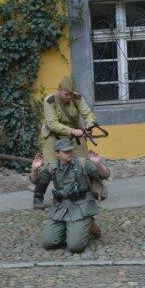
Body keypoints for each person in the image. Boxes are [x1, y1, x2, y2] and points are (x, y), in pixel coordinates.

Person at [30, 139, 110, 253]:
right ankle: (71, 228)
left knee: (75, 247)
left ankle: (89, 224)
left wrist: (97, 163)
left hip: (81, 206)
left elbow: (105, 175)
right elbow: (36, 181)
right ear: (57, 153)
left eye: (70, 151)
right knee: (48, 243)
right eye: (66, 151)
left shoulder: (82, 163)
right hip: (61, 207)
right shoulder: (52, 167)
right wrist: (34, 168)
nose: (69, 153)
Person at [34, 76, 98, 209]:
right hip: (54, 135)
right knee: (50, 166)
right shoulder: (50, 101)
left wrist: (88, 126)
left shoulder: (77, 98)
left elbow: (88, 114)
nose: (69, 97)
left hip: (75, 135)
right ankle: (38, 195)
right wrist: (72, 131)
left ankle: (87, 191)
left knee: (83, 162)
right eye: (66, 94)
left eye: (70, 94)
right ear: (59, 90)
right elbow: (53, 124)